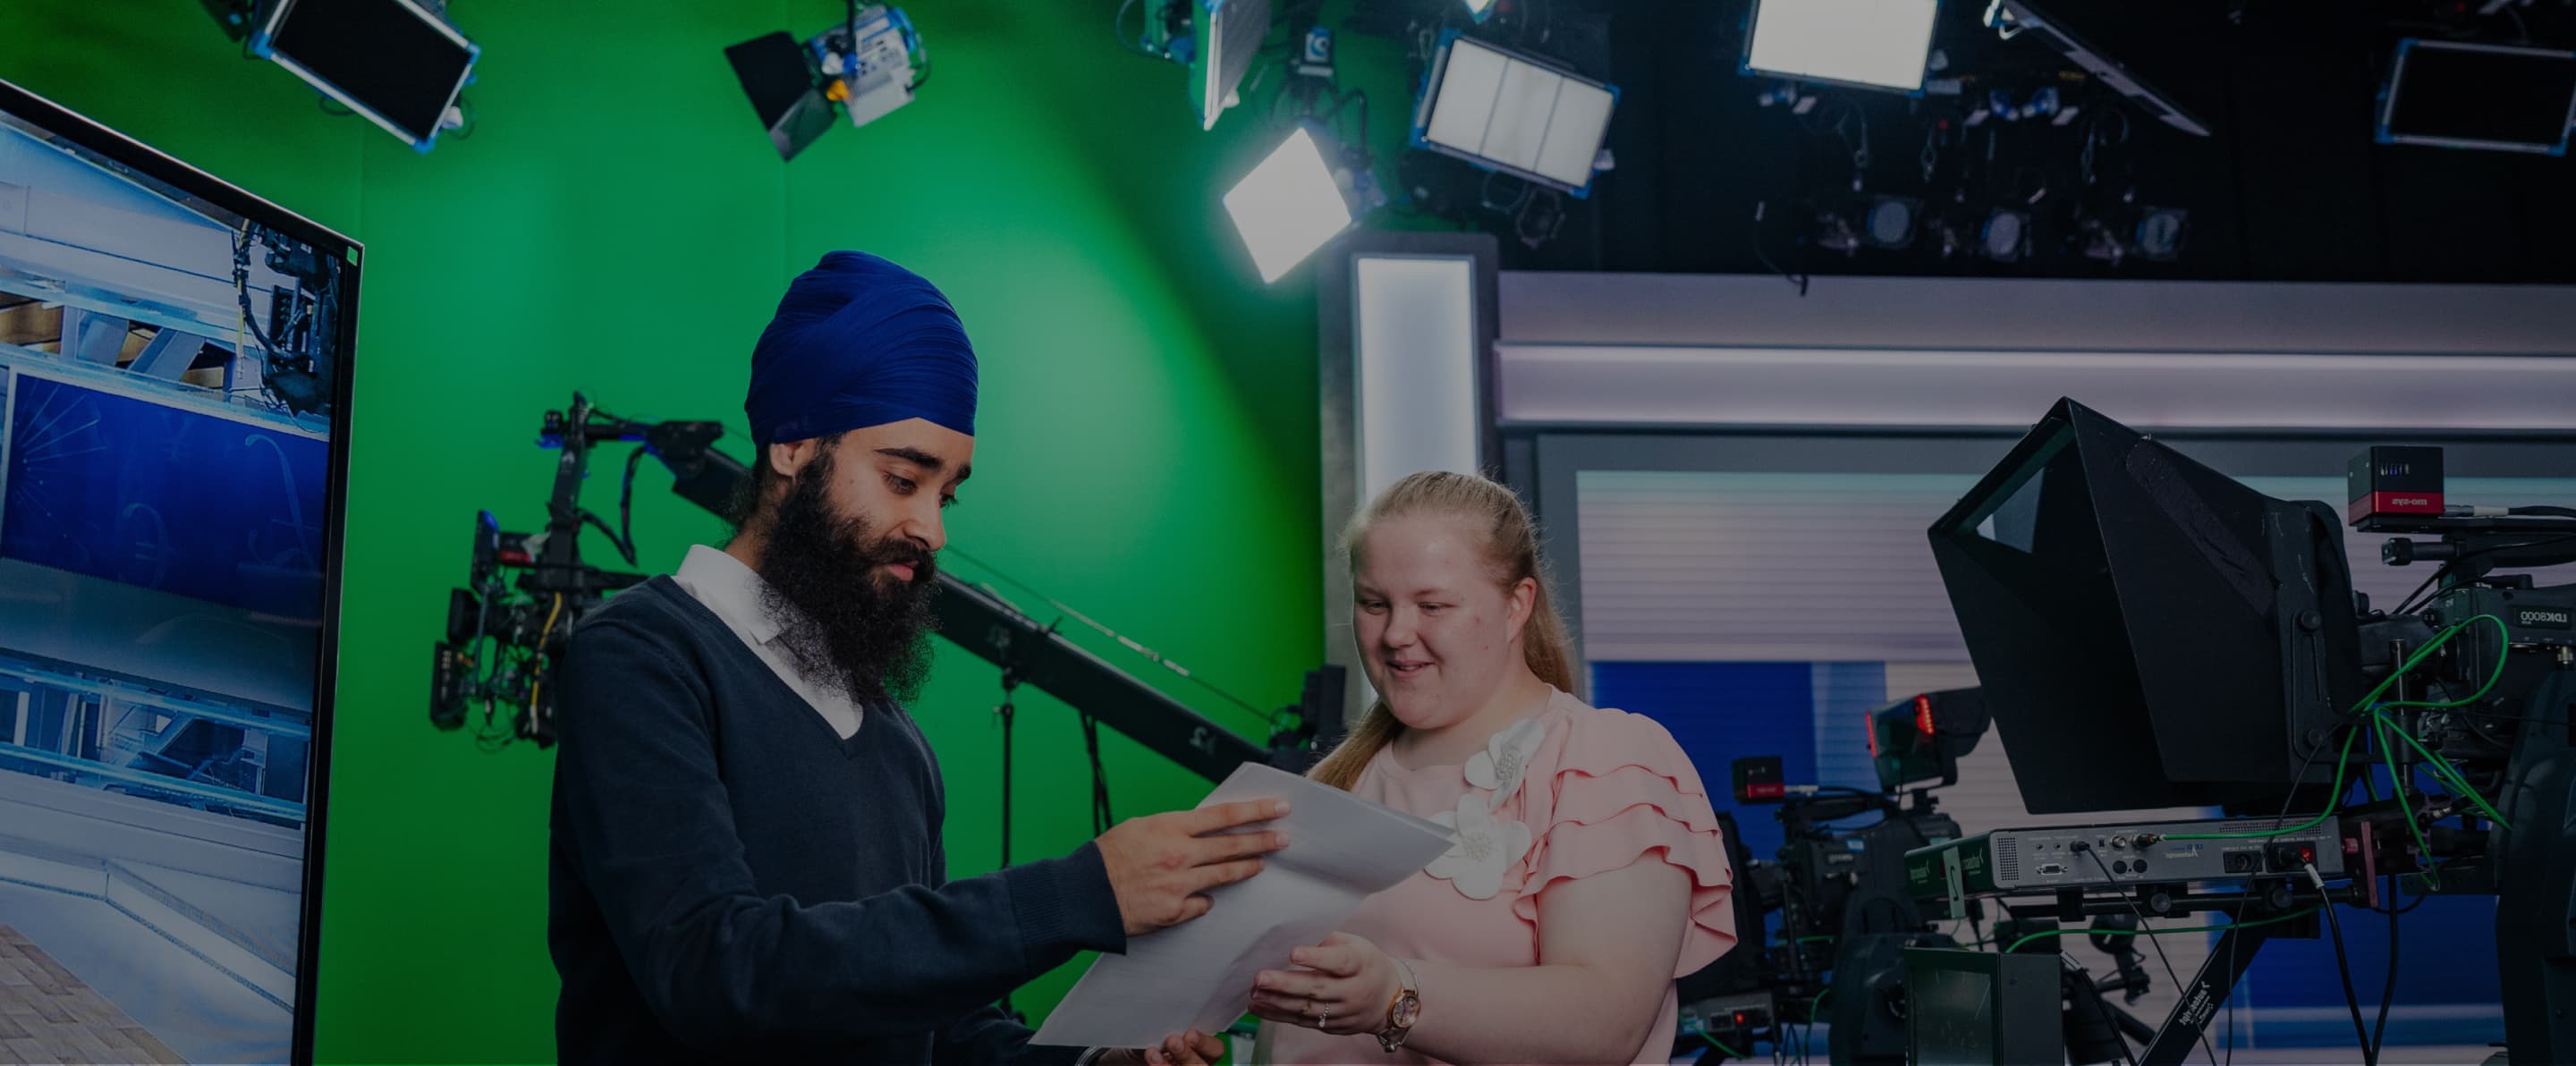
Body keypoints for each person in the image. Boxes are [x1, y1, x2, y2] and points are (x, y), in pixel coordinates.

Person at [548, 250, 1275, 1065]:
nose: (934, 530)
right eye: (903, 480)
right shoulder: (644, 659)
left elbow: (947, 1032)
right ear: (792, 445)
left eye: (948, 494)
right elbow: (715, 969)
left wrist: (1093, 1065)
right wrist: (1079, 894)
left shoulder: (896, 740)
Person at [1250, 470, 1737, 1064]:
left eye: (1433, 605)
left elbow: (1604, 1022)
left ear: (1516, 606)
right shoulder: (1339, 778)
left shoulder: (1600, 756)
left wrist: (1394, 995)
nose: (1397, 633)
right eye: (1374, 603)